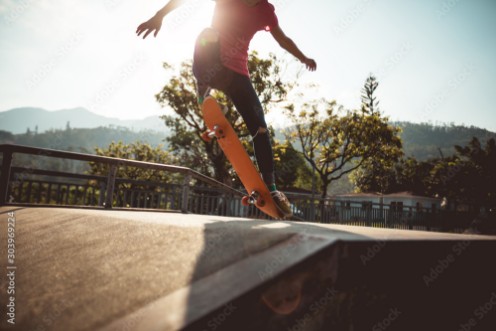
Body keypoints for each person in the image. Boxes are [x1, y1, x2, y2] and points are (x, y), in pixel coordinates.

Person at [137, 0, 317, 215]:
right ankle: (203, 86)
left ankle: (272, 189)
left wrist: (303, 57)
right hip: (212, 65)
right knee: (208, 33)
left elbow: (283, 40)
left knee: (260, 129)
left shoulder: (266, 12)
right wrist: (160, 15)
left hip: (238, 75)